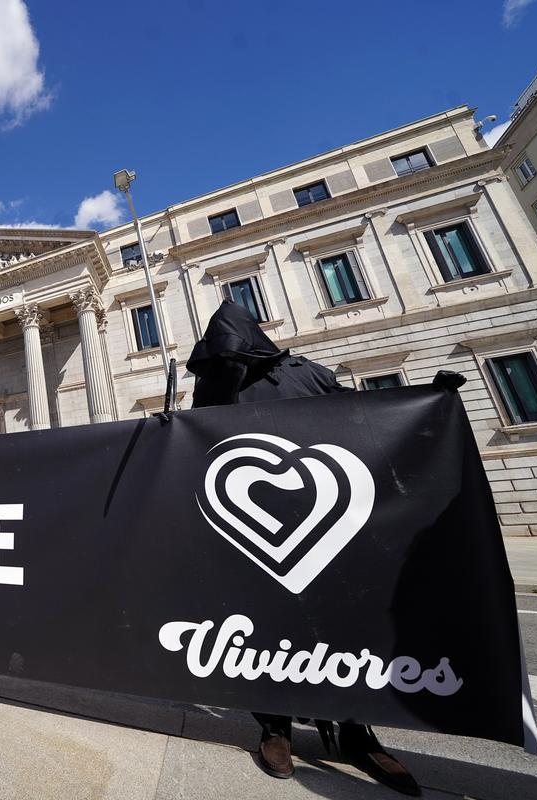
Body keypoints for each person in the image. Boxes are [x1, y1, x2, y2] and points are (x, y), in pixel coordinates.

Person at [186, 300, 420, 797]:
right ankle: (275, 727)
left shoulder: (306, 372)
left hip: (328, 518)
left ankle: (359, 732)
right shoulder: (215, 383)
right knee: (264, 627)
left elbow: (360, 415)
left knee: (342, 628)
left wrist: (426, 405)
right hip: (250, 529)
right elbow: (193, 448)